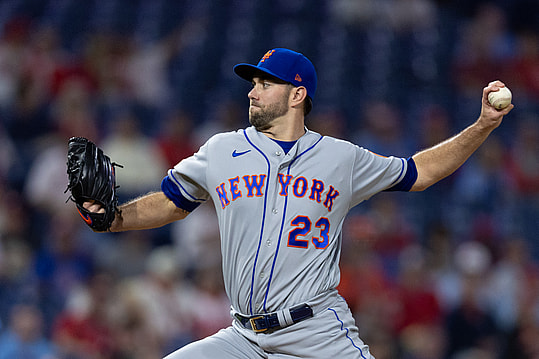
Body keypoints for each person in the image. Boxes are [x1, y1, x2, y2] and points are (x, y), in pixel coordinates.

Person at [82, 48, 513, 358]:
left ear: (297, 94)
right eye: (253, 83)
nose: (253, 92)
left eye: (265, 83)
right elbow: (174, 201)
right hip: (243, 338)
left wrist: (482, 125)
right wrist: (114, 219)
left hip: (317, 332)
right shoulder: (220, 149)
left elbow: (421, 172)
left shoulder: (341, 158)